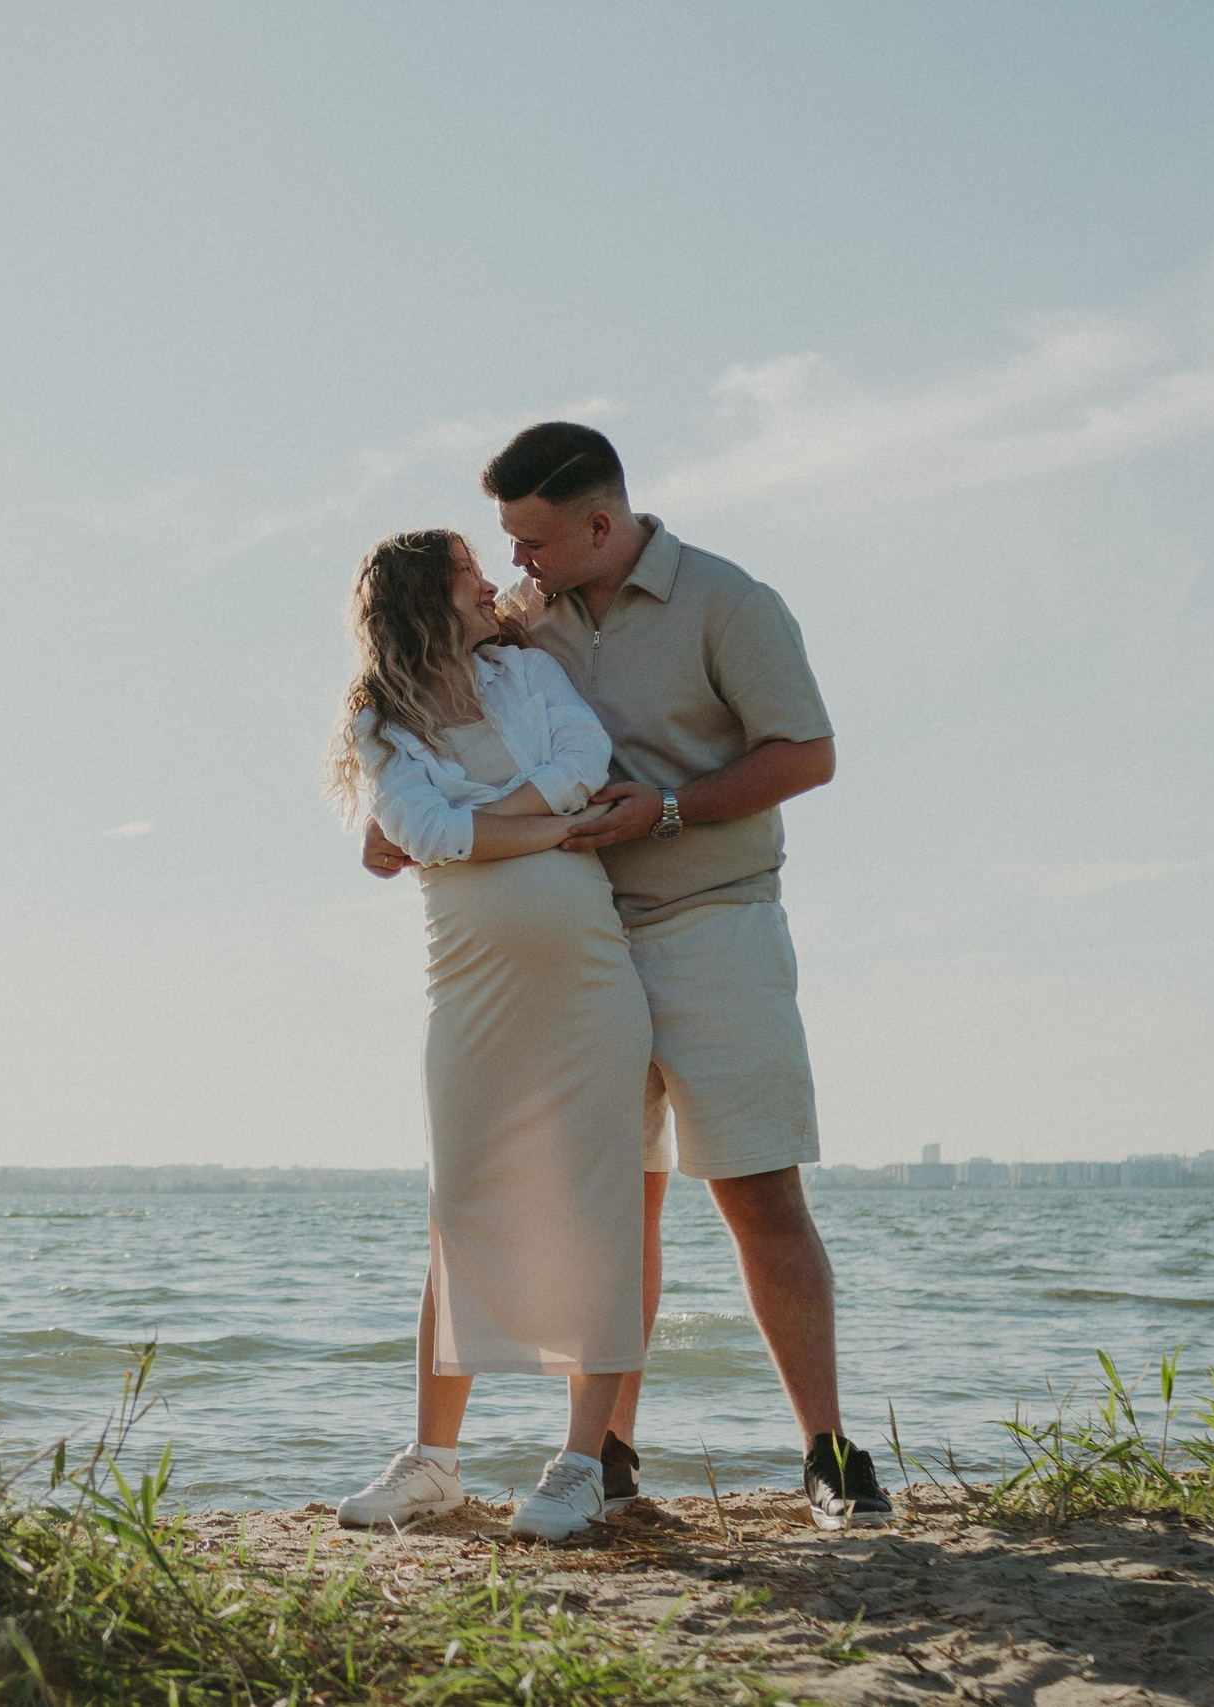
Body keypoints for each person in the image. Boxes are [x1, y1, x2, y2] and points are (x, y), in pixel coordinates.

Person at [362, 423, 893, 1531]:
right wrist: (402, 816)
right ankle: (604, 1456)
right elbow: (427, 717)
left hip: (710, 922)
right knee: (617, 1200)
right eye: (504, 546)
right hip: (584, 937)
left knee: (759, 1191)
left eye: (533, 542)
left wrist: (668, 809)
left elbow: (807, 753)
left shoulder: (728, 604)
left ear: (600, 526)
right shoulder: (527, 618)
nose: (514, 565)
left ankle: (830, 1454)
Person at [324, 527, 654, 1541]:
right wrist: (550, 829)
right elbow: (424, 833)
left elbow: (582, 762)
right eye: (468, 574)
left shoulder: (527, 673)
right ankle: (434, 1463)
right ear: (426, 599)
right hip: (468, 987)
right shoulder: (379, 717)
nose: (489, 585)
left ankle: (581, 1464)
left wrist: (490, 825)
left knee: (598, 1208)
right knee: (460, 1207)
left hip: (591, 985)